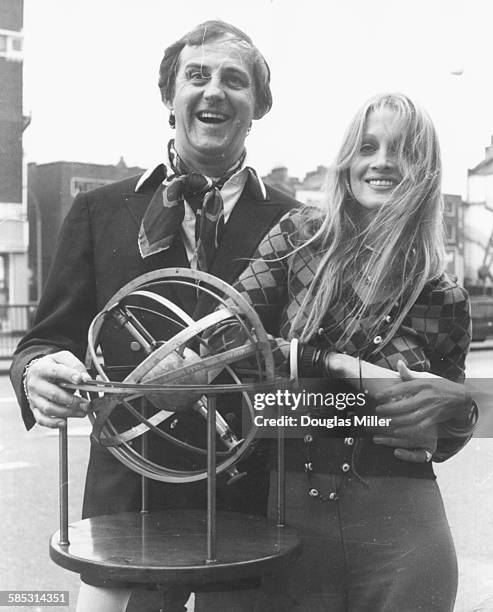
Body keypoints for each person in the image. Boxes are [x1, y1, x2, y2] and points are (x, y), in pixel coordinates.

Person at [9, 20, 301, 612]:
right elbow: (44, 341)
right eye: (196, 76)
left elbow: (308, 361)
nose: (214, 90)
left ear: (259, 105)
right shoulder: (98, 211)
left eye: (234, 80)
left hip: (246, 510)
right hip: (126, 506)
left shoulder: (297, 228)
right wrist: (35, 372)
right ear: (170, 98)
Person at [206, 92, 477, 611]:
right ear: (347, 160)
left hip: (405, 534)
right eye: (367, 146)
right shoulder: (299, 237)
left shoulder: (444, 297)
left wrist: (458, 410)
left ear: (423, 169)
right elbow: (224, 338)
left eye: (400, 151)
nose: (380, 162)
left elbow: (440, 437)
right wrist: (335, 363)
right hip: (290, 525)